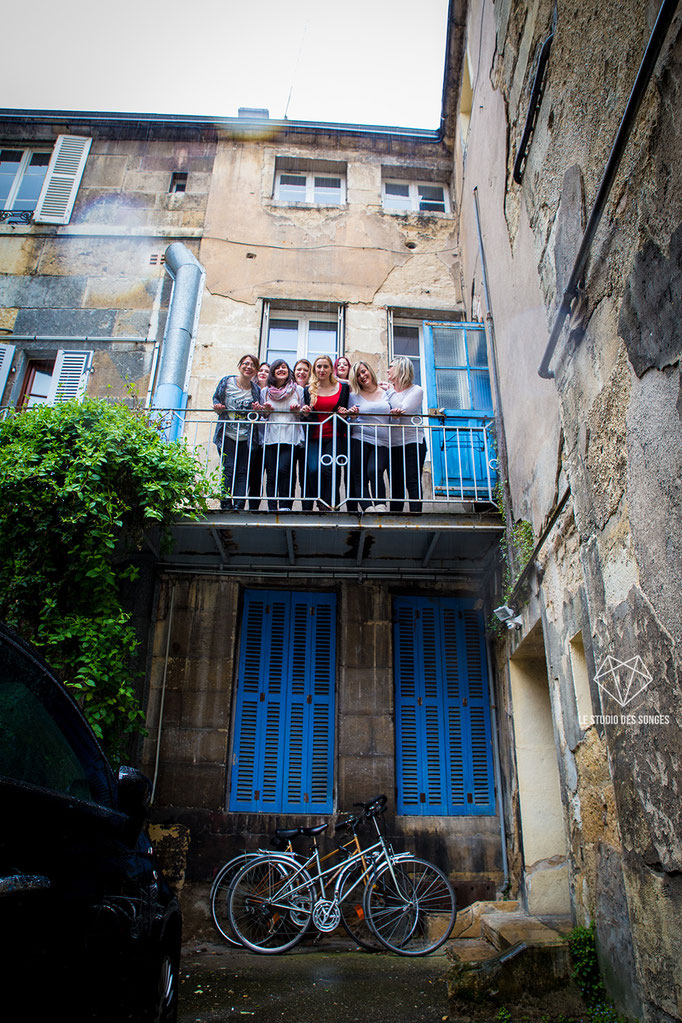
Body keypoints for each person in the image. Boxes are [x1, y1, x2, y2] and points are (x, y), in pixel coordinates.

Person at [301, 355, 351, 510]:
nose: (322, 370)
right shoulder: (308, 390)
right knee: (313, 469)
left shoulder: (343, 388)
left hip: (335, 436)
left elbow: (345, 411)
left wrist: (345, 413)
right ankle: (321, 499)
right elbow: (307, 417)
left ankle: (331, 505)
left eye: (325, 366)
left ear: (331, 369)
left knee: (330, 470)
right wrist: (306, 414)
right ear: (315, 370)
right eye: (318, 367)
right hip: (314, 437)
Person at [212, 354, 261, 511]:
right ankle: (226, 502)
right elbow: (216, 399)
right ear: (239, 366)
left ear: (256, 370)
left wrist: (258, 410)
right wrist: (217, 407)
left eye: (252, 365)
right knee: (229, 467)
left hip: (246, 437)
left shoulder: (256, 389)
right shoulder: (227, 382)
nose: (248, 367)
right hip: (227, 433)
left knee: (243, 471)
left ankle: (239, 504)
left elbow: (257, 414)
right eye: (245, 364)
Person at [255, 359, 304, 511]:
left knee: (285, 470)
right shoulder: (265, 392)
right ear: (273, 372)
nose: (281, 369)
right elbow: (264, 416)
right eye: (278, 367)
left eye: (284, 367)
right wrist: (264, 411)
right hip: (271, 437)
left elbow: (303, 414)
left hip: (291, 437)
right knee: (271, 473)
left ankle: (284, 505)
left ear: (289, 371)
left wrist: (298, 411)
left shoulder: (298, 390)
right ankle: (272, 506)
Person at [347, 361, 391, 513]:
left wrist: (397, 416)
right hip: (360, 437)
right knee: (359, 475)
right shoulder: (354, 396)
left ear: (370, 371)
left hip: (383, 440)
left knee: (374, 470)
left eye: (364, 371)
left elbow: (394, 418)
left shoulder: (387, 392)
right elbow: (349, 420)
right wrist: (352, 417)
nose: (362, 376)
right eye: (358, 375)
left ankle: (380, 504)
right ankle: (367, 507)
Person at [385, 355, 426, 512]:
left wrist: (390, 392)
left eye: (391, 366)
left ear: (401, 369)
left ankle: (415, 515)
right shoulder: (388, 391)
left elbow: (402, 410)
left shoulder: (416, 390)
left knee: (412, 479)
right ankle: (396, 516)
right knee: (395, 482)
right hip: (393, 443)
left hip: (412, 442)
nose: (388, 369)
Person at [292, 359, 312, 508]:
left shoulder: (313, 390)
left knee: (306, 474)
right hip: (292, 436)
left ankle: (308, 507)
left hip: (309, 437)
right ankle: (287, 506)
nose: (302, 372)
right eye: (299, 369)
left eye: (305, 370)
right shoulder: (289, 389)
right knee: (290, 472)